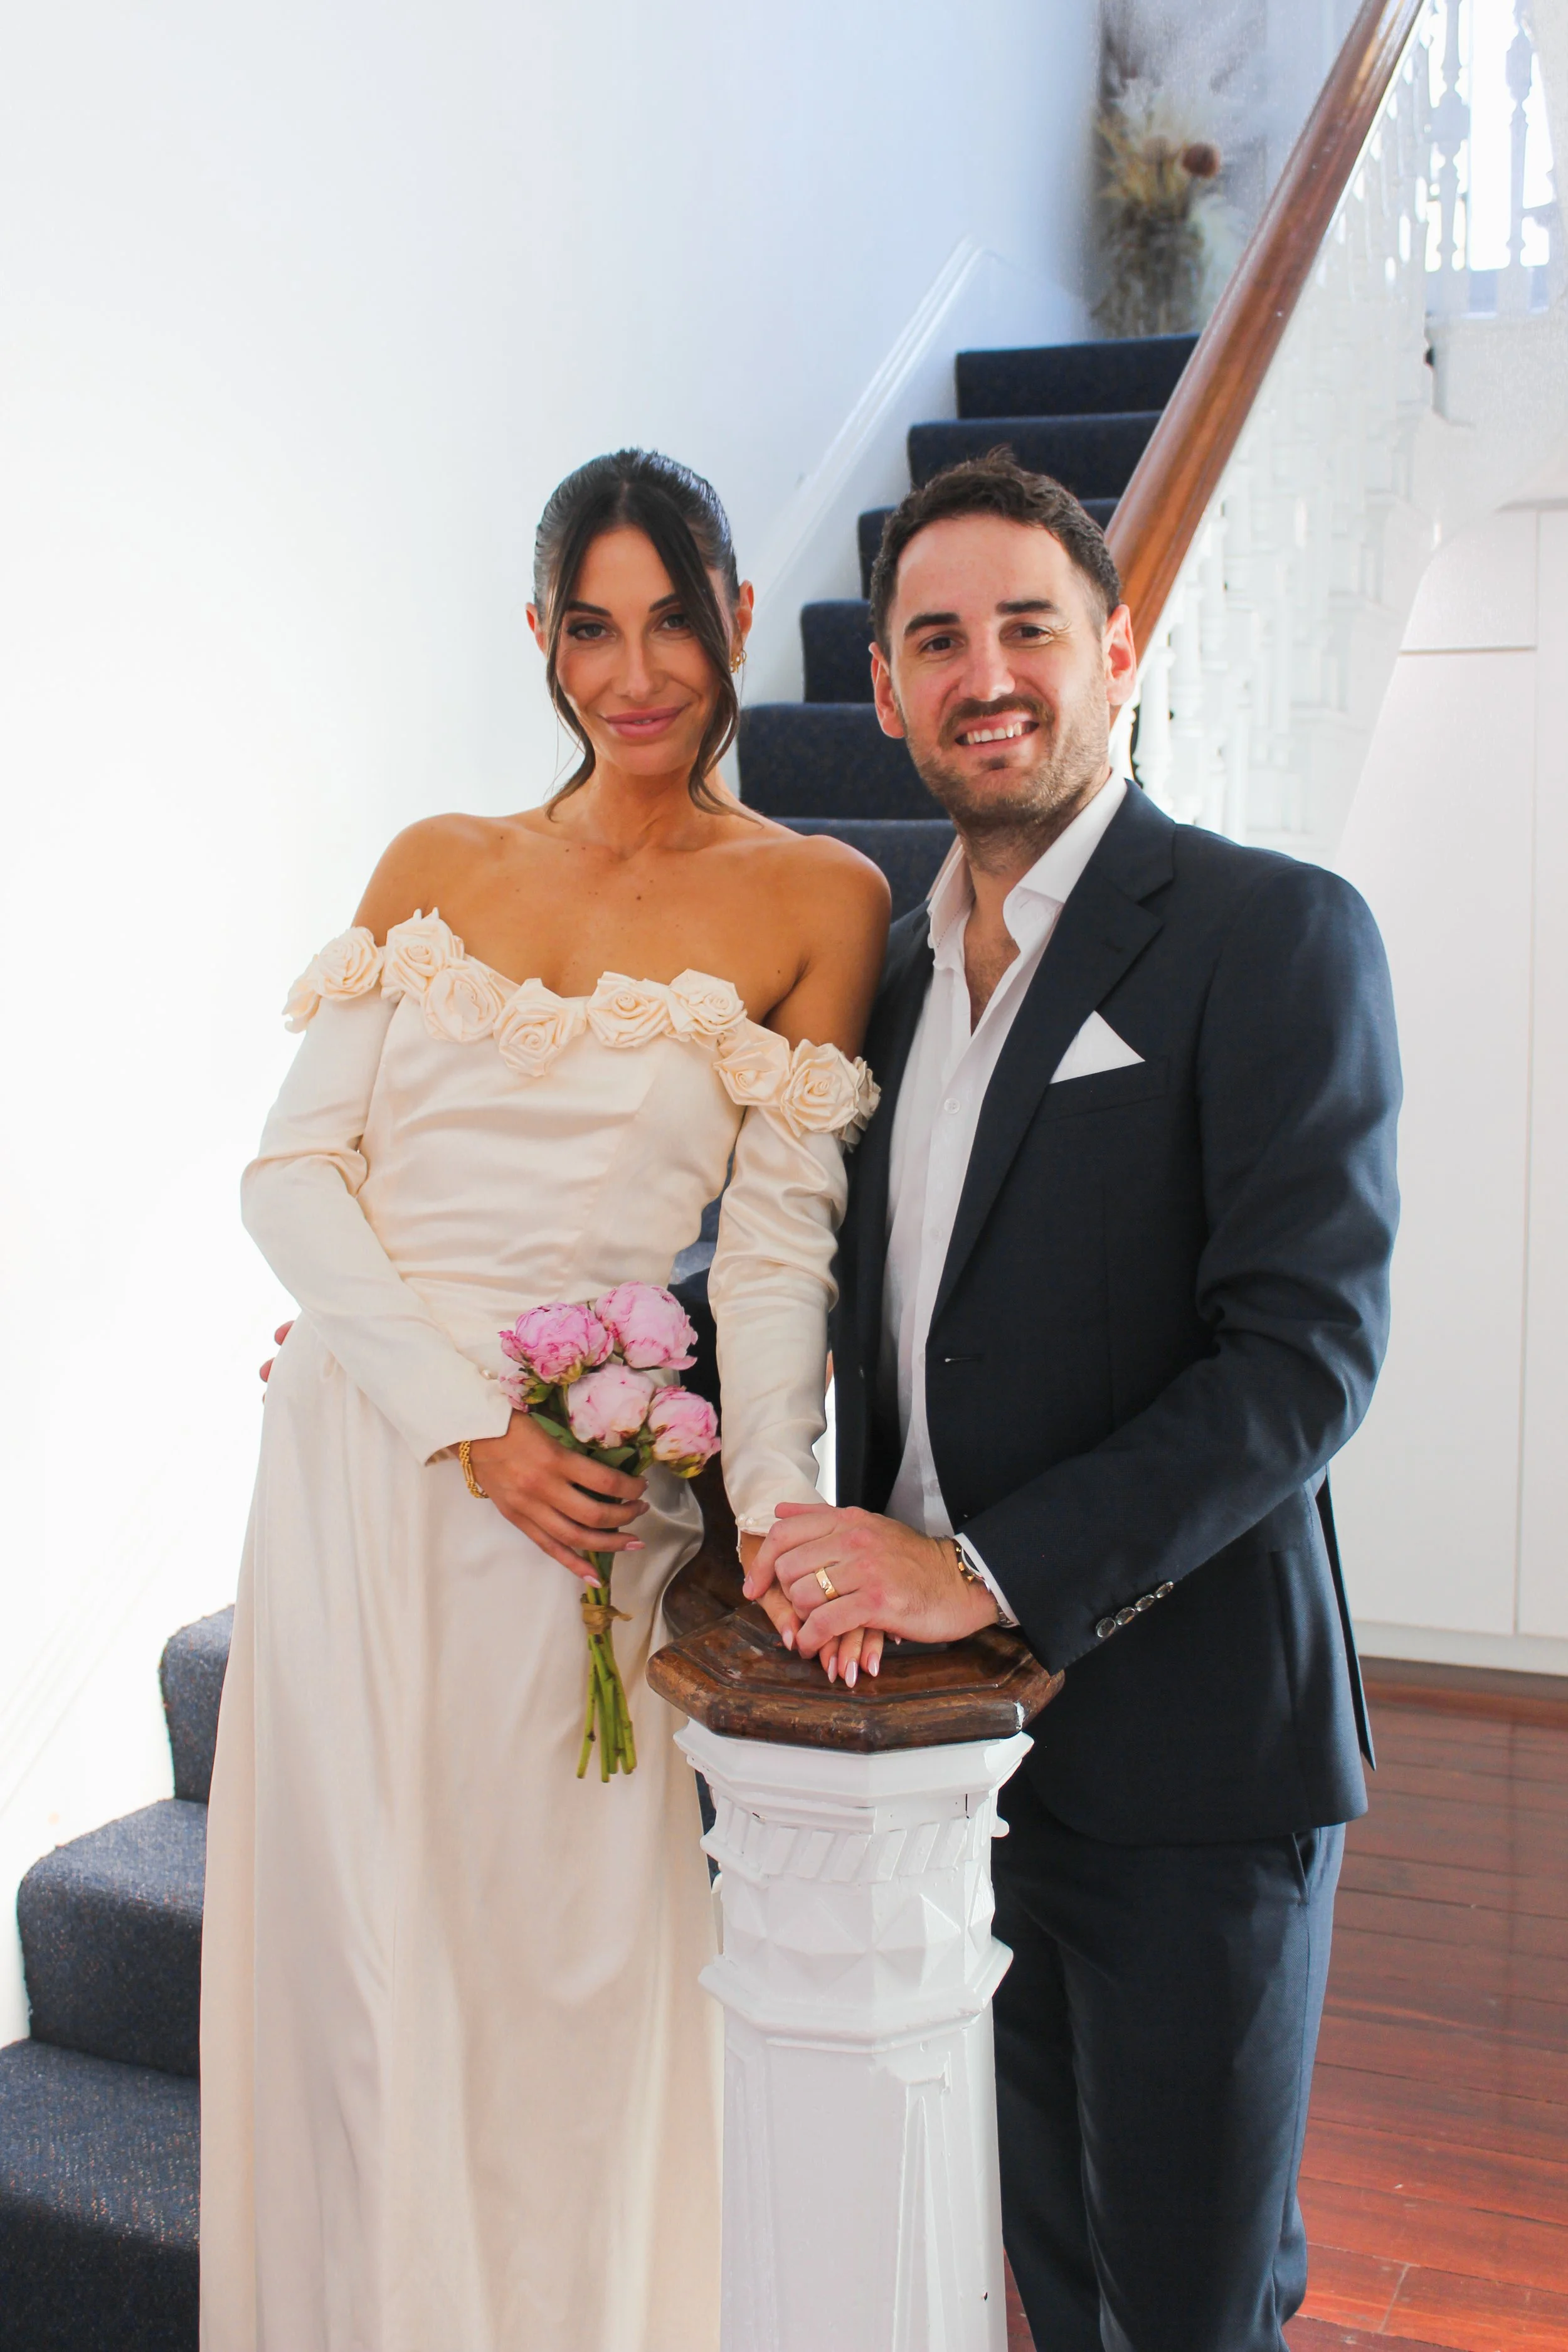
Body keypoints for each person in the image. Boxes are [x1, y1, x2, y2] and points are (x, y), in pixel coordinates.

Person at [199, 447, 890, 2352]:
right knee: (363, 1972)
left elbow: (771, 1255)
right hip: (374, 1471)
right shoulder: (438, 863)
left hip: (584, 1524)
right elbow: (290, 1172)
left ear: (742, 616)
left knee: (565, 1996)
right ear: (539, 639)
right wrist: (458, 1416)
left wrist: (774, 1517)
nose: (636, 668)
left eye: (674, 616)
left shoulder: (818, 896)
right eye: (592, 625)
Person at [746, 450, 1401, 2351]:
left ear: (1116, 646)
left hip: (1194, 1753)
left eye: (1028, 626)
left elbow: (1300, 1361)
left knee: (1195, 2304)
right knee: (1048, 2271)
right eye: (935, 639)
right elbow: (790, 1267)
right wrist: (491, 1361)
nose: (986, 674)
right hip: (957, 1767)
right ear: (881, 688)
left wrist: (981, 1566)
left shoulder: (1269, 932)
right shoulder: (866, 974)